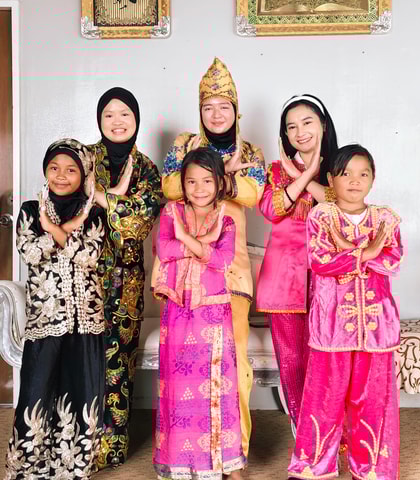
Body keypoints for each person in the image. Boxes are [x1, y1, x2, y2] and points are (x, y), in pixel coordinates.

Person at [159, 58, 266, 457]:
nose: (216, 114)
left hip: (229, 271)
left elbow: (254, 194)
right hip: (183, 275)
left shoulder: (250, 151)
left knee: (234, 366)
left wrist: (214, 176)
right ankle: (193, 456)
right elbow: (170, 187)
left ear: (236, 110)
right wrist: (223, 174)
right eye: (208, 107)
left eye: (224, 106)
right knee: (188, 368)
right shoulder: (184, 144)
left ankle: (234, 453)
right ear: (199, 110)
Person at [288, 144, 402, 480]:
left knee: (374, 400)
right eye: (346, 173)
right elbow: (320, 262)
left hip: (377, 326)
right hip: (331, 324)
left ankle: (371, 469)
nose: (355, 180)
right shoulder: (321, 217)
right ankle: (313, 467)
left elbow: (392, 261)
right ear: (330, 180)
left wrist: (351, 254)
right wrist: (367, 253)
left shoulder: (386, 219)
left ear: (373, 179)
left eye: (363, 174)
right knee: (325, 398)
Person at [5, 138, 106, 479]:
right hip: (45, 319)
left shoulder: (95, 214)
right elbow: (29, 253)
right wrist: (61, 232)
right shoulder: (30, 211)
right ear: (45, 171)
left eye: (71, 170)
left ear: (84, 174)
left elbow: (89, 257)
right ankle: (29, 469)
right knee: (36, 392)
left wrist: (52, 231)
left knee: (82, 393)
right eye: (54, 168)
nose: (61, 176)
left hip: (86, 320)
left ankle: (72, 468)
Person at [153, 147, 246, 480]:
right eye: (191, 181)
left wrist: (185, 239)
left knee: (218, 387)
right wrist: (202, 243)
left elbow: (222, 260)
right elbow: (164, 249)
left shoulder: (226, 219)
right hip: (177, 310)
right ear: (183, 183)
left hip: (212, 313)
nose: (199, 188)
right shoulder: (171, 211)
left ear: (220, 182)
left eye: (207, 180)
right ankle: (182, 465)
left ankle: (227, 464)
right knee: (179, 388)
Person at [87, 87, 162, 468]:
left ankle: (111, 448)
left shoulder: (147, 169)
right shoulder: (81, 160)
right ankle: (77, 445)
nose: (117, 122)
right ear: (99, 120)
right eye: (109, 115)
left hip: (126, 285)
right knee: (82, 361)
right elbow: (64, 206)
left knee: (118, 365)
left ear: (136, 120)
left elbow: (137, 225)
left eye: (125, 114)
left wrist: (102, 198)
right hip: (82, 278)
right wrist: (117, 198)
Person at [256, 94, 338, 430]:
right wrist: (298, 176)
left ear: (323, 125)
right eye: (291, 127)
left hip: (329, 280)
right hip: (282, 280)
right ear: (285, 135)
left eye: (307, 122)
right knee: (292, 362)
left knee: (327, 360)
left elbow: (344, 209)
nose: (300, 132)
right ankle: (304, 434)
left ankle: (329, 432)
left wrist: (310, 175)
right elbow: (271, 210)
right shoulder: (277, 171)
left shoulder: (341, 167)